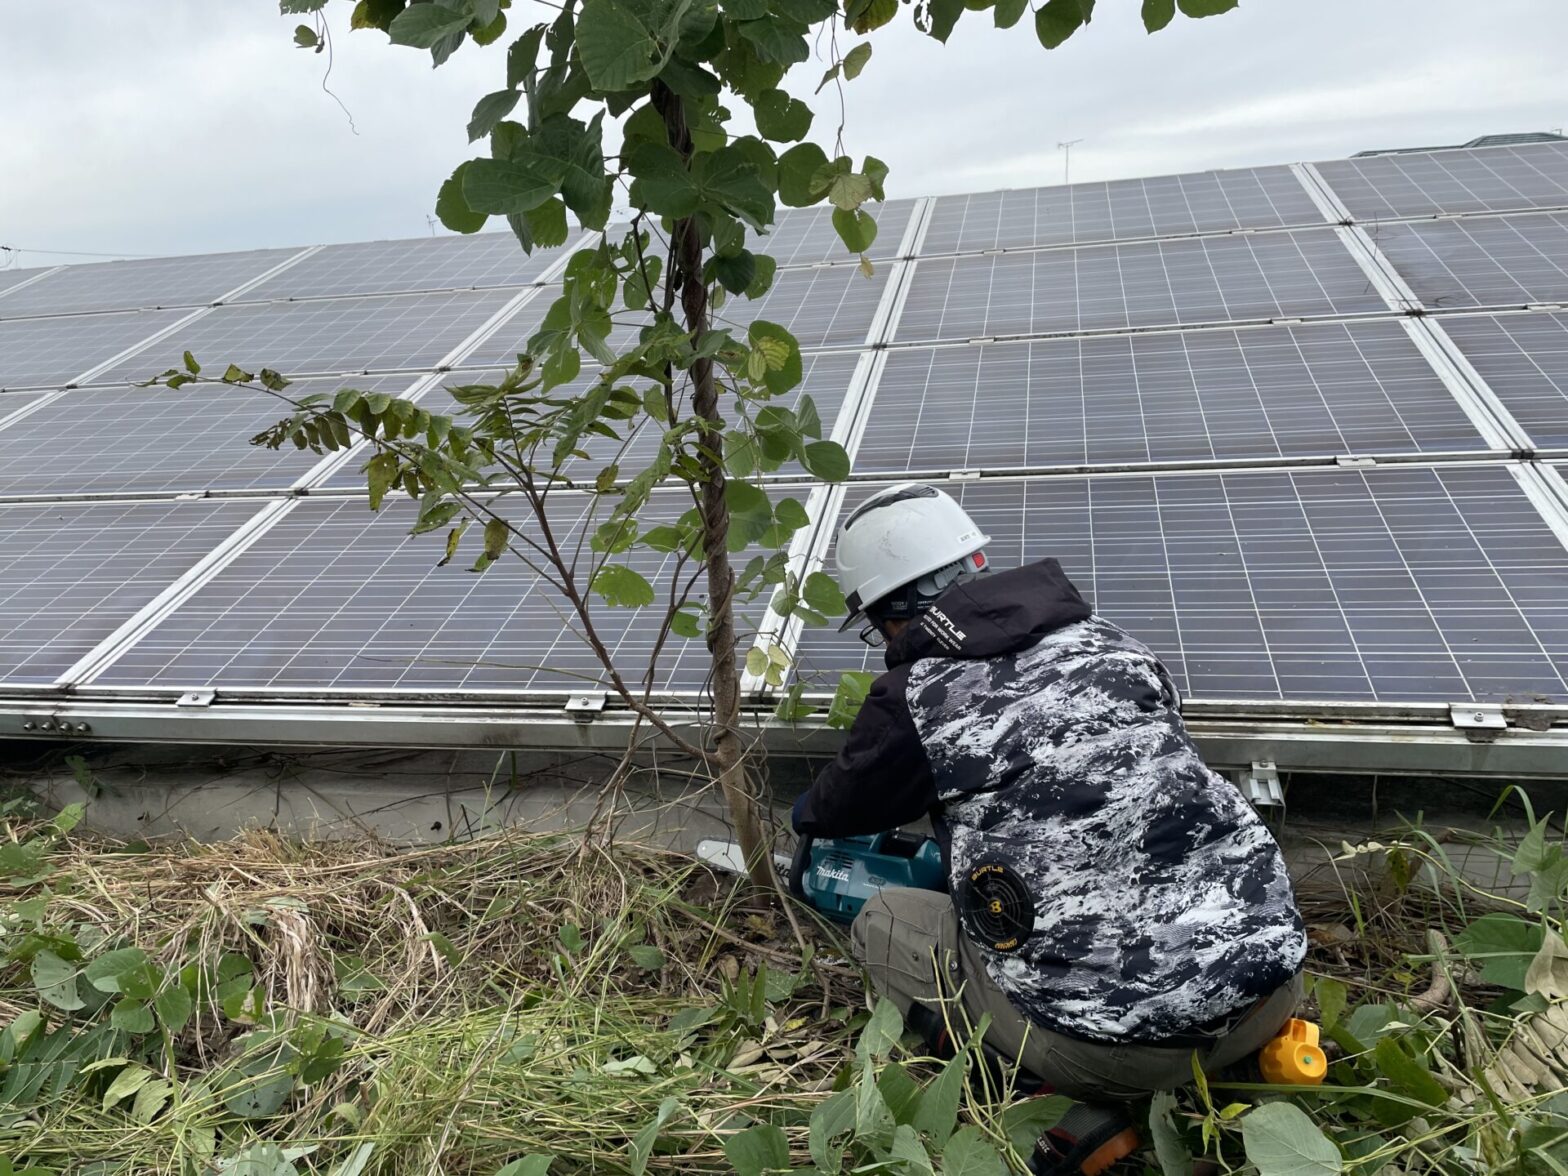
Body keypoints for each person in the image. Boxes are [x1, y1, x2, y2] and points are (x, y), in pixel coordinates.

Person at [791, 483, 1308, 1176]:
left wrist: (809, 815)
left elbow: (834, 810)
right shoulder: (1113, 643)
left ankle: (1060, 1116)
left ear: (890, 615)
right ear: (975, 561)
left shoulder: (918, 693)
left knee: (885, 922)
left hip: (1112, 1051)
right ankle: (1259, 1055)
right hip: (1269, 993)